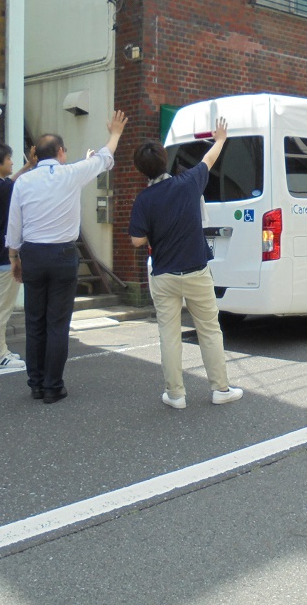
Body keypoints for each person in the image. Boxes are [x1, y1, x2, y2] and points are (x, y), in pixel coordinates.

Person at [7, 111, 128, 404]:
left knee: (35, 321)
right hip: (62, 255)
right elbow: (103, 158)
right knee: (57, 323)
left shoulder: (22, 182)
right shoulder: (72, 173)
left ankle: (35, 384)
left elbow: (14, 225)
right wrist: (115, 133)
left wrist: (14, 257)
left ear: (36, 154)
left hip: (33, 254)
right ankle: (53, 386)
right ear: (61, 152)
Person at [128, 117, 243, 409]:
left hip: (164, 273)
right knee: (209, 329)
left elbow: (137, 241)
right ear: (165, 161)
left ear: (141, 170)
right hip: (196, 270)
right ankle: (220, 389)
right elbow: (208, 159)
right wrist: (220, 138)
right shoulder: (189, 182)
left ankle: (176, 395)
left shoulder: (144, 199)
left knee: (169, 334)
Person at [0, 143, 37, 368]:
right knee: (1, 309)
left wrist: (28, 165)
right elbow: (17, 184)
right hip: (5, 257)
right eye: (9, 159)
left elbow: (12, 182)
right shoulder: (1, 188)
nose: (12, 163)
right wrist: (33, 166)